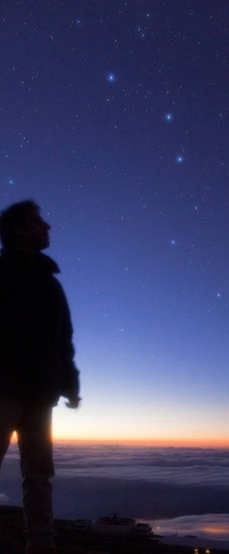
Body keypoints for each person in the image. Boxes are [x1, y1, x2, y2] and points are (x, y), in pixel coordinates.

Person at [0, 200, 81, 554]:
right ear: (18, 228)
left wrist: (69, 383)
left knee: (38, 476)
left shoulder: (51, 285)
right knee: (37, 476)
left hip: (40, 393)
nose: (47, 227)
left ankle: (41, 546)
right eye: (38, 222)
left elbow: (63, 338)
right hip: (3, 390)